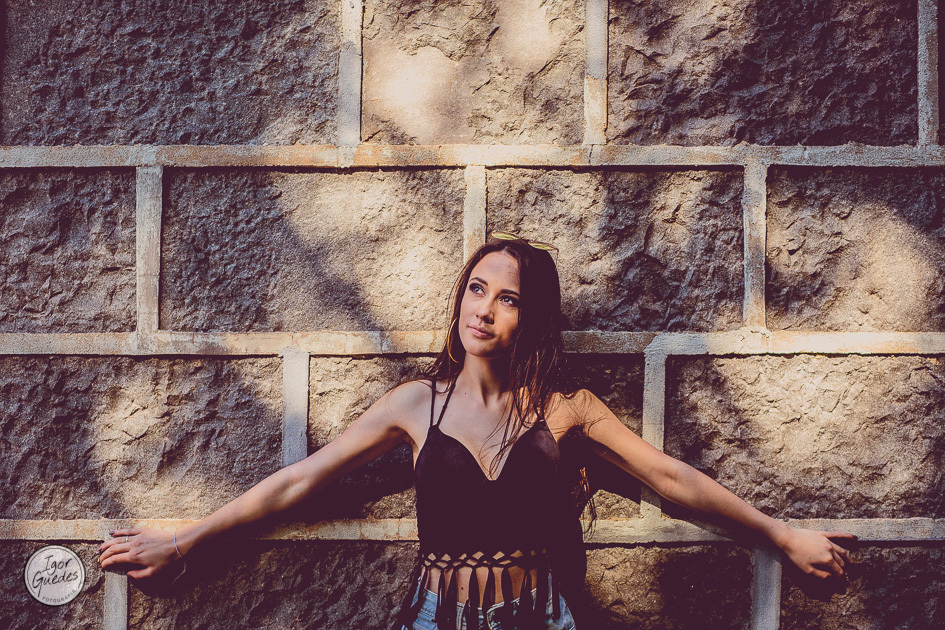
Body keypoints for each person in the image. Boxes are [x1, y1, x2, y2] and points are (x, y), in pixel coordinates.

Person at [99, 234, 854, 629]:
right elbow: (300, 479)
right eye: (475, 289)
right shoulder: (414, 405)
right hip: (437, 616)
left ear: (533, 316)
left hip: (541, 616)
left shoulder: (567, 409)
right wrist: (185, 541)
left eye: (508, 299)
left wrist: (780, 535)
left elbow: (669, 478)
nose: (484, 309)